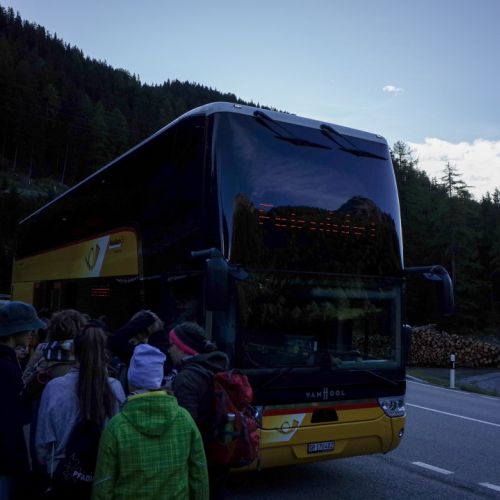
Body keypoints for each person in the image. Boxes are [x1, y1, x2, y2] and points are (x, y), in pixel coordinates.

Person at [92, 344, 209, 500]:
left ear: (131, 381)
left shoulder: (116, 427)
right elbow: (199, 476)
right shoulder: (185, 420)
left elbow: (103, 485)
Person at [36, 322, 125, 498]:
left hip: (63, 479)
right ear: (104, 352)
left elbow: (42, 444)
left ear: (72, 351)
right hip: (104, 479)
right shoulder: (115, 388)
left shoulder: (55, 388)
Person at [168, 322, 230, 500]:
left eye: (172, 345)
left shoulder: (186, 378)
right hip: (219, 446)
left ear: (183, 348)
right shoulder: (214, 365)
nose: (169, 350)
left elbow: (186, 426)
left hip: (202, 453)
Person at [0, 301, 46, 500]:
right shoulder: (6, 367)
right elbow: (9, 421)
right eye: (28, 328)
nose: (32, 333)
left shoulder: (8, 363)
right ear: (14, 330)